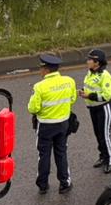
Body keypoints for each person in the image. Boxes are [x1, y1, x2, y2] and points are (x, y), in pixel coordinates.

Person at [26, 54, 77, 194]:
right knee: (61, 153)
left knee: (44, 155)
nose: (40, 71)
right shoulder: (69, 81)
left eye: (41, 69)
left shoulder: (39, 87)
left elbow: (33, 108)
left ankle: (43, 185)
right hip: (63, 124)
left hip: (45, 126)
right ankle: (65, 183)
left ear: (46, 70)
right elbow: (72, 99)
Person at [81, 49, 111, 173]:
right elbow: (90, 87)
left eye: (90, 60)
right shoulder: (90, 73)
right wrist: (83, 92)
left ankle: (109, 160)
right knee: (98, 134)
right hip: (93, 108)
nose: (87, 61)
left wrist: (89, 96)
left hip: (104, 108)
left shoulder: (105, 76)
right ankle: (102, 156)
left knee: (105, 135)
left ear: (97, 62)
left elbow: (106, 96)